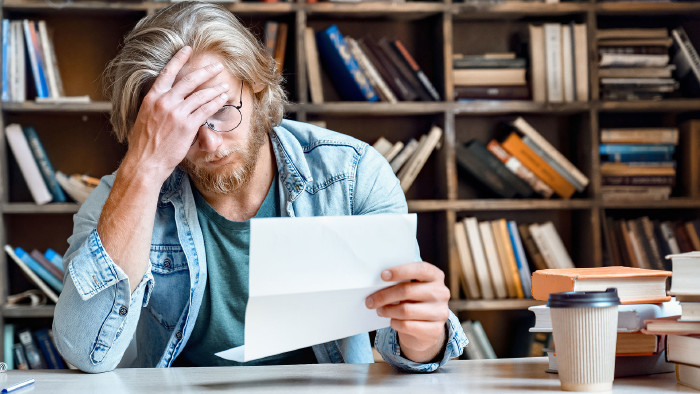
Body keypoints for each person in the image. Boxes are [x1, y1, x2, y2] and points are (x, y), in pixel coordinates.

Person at [52, 1, 466, 373]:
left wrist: (425, 341)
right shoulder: (120, 197)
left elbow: (406, 339)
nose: (211, 143)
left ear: (257, 88)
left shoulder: (353, 174)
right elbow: (85, 352)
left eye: (222, 111)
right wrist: (143, 168)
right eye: (182, 126)